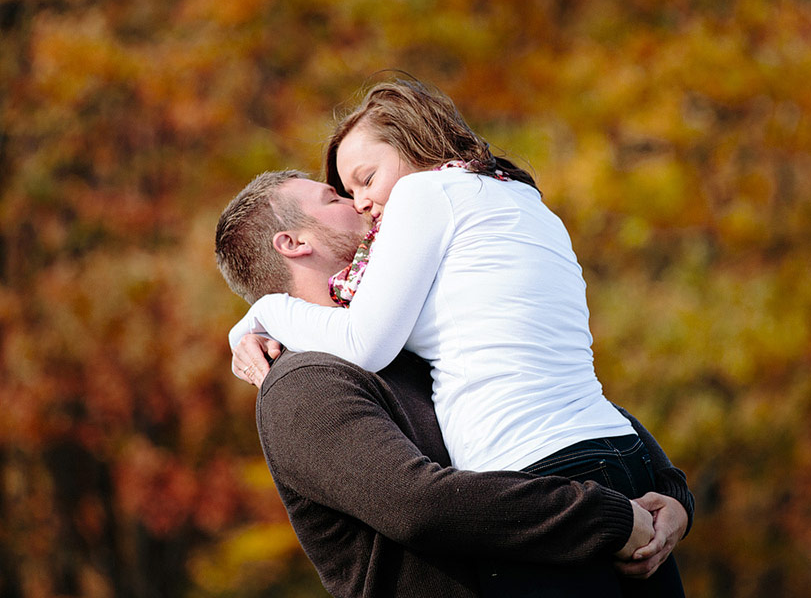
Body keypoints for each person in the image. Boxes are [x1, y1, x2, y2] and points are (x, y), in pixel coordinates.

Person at [229, 80, 687, 593]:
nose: (359, 203)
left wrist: (670, 494)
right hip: (592, 497)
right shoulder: (305, 383)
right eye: (338, 194)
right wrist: (617, 511)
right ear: (292, 242)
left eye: (360, 182)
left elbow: (550, 384)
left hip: (576, 489)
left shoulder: (420, 249)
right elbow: (417, 505)